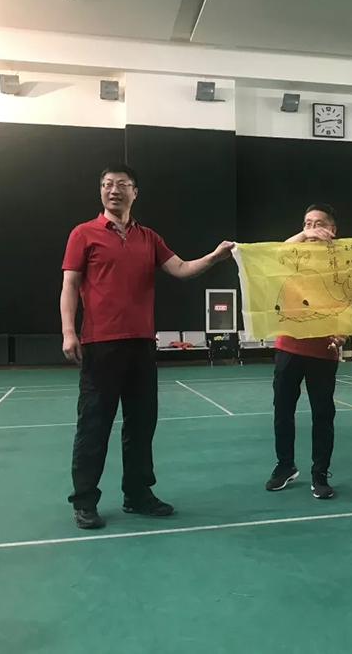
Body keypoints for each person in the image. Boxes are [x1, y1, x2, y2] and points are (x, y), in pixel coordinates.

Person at [61, 164, 234, 529]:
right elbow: (70, 285)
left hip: (141, 346)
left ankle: (138, 495)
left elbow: (181, 269)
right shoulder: (83, 234)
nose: (114, 190)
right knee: (93, 426)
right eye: (107, 184)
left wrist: (214, 257)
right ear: (101, 191)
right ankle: (85, 501)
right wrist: (68, 332)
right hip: (100, 345)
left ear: (134, 192)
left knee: (141, 426)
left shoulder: (149, 238)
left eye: (122, 185)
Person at [266, 204, 346, 499]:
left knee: (323, 415)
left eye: (318, 224)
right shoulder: (294, 253)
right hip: (289, 345)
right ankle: (285, 465)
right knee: (282, 410)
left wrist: (345, 330)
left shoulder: (344, 259)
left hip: (323, 350)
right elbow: (276, 252)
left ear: (332, 229)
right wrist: (306, 234)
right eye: (306, 223)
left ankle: (320, 473)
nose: (311, 229)